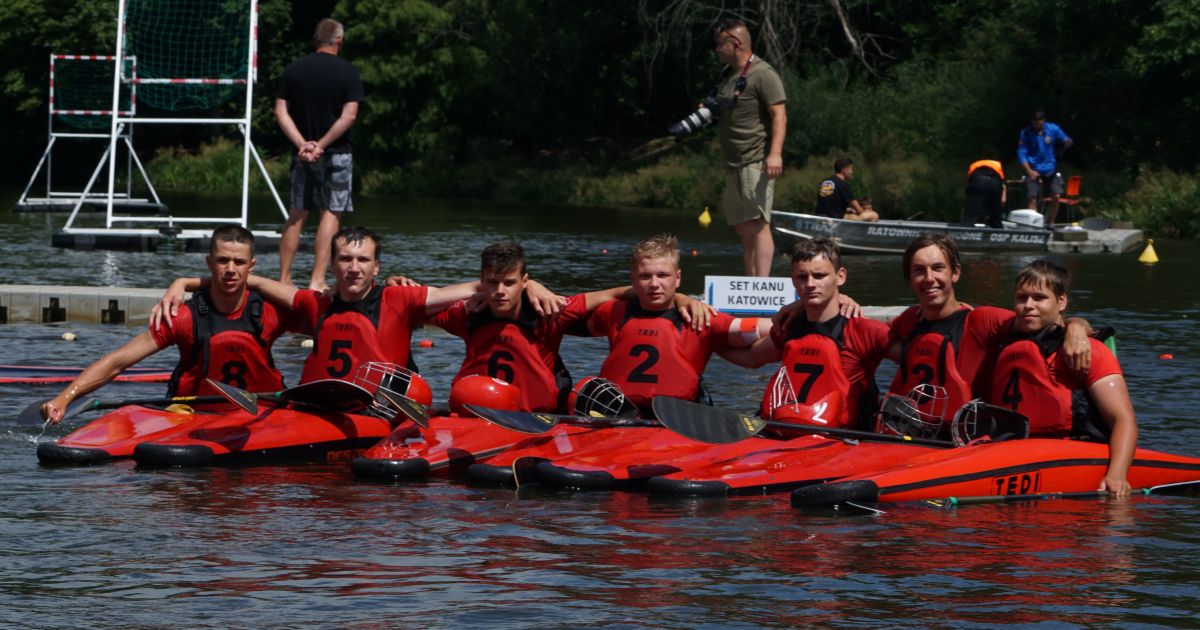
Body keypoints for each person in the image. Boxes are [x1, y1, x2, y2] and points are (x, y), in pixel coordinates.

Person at [158, 226, 563, 386]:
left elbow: (485, 284)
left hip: (380, 410)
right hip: (320, 411)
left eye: (363, 261)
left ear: (377, 267)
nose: (354, 268)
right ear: (332, 265)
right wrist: (188, 281)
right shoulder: (316, 303)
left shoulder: (401, 297)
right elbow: (250, 277)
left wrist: (532, 285)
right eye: (346, 260)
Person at [40, 226, 298, 423]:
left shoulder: (270, 312)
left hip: (263, 412)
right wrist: (65, 397)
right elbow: (118, 361)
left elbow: (326, 324)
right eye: (222, 261)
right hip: (193, 413)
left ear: (251, 267)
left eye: (239, 262)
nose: (230, 269)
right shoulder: (184, 316)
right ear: (209, 263)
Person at [431, 241, 713, 413]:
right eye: (492, 283)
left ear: (525, 281)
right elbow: (417, 308)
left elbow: (617, 293)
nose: (500, 292)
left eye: (509, 283)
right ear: (481, 282)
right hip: (478, 413)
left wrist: (680, 297)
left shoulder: (552, 311)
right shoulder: (467, 313)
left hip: (536, 417)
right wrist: (398, 285)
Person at [887, 234, 1092, 422]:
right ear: (910, 278)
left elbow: (1044, 320)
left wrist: (1076, 327)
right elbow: (870, 334)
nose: (929, 278)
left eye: (938, 268)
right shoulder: (908, 320)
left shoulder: (982, 321)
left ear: (955, 273)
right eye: (919, 270)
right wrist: (852, 302)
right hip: (916, 434)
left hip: (966, 439)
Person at [988, 260, 1137, 497]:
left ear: (1062, 301)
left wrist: (1117, 475)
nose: (1028, 305)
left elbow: (1123, 419)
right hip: (1011, 450)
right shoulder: (1006, 339)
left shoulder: (1090, 351)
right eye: (1021, 297)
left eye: (1039, 298)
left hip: (1070, 451)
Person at [585, 234, 771, 415]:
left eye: (663, 275)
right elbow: (565, 312)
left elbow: (769, 328)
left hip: (680, 420)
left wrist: (796, 308)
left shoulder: (700, 316)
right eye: (645, 276)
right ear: (632, 279)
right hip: (620, 415)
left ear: (678, 278)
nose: (654, 284)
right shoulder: (612, 312)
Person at [739, 238, 891, 430]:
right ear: (793, 279)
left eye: (819, 276)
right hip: (789, 436)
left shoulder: (865, 330)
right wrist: (703, 332)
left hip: (847, 442)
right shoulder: (790, 326)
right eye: (802, 277)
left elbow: (913, 349)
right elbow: (751, 358)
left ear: (840, 276)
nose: (810, 284)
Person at [276, 18, 365, 292]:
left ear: (316, 39)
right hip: (337, 153)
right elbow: (349, 116)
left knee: (297, 214)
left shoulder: (293, 70)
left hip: (303, 155)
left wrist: (304, 144)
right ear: (339, 40)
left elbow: (281, 112)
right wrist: (322, 144)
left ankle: (284, 280)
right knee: (331, 214)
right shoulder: (349, 72)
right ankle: (316, 280)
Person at [712, 18, 787, 277]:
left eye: (719, 45)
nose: (716, 50)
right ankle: (750, 281)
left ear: (735, 43)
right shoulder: (728, 74)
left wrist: (775, 153)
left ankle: (761, 285)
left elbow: (779, 114)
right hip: (733, 162)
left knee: (758, 222)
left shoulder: (763, 73)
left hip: (755, 158)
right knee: (743, 226)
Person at [1018, 109, 1073, 226]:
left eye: (1038, 123)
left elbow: (1065, 139)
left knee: (1057, 195)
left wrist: (1067, 142)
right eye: (1034, 123)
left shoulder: (1052, 128)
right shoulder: (1026, 133)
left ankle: (1051, 223)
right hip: (1033, 169)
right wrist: (1029, 171)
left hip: (1050, 169)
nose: (1036, 125)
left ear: (1044, 121)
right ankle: (1032, 225)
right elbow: (1021, 153)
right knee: (1032, 197)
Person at [816, 158, 879, 222]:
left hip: (820, 215)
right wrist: (865, 212)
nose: (852, 172)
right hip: (836, 219)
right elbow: (859, 210)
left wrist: (848, 210)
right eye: (851, 169)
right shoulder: (843, 185)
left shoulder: (825, 182)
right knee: (873, 215)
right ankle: (863, 231)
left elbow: (831, 204)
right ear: (844, 170)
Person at [963, 158, 1007, 228]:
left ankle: (964, 231)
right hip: (994, 183)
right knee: (996, 220)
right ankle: (997, 230)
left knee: (970, 217)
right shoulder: (998, 166)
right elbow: (1003, 199)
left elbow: (970, 191)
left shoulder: (973, 166)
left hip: (978, 181)